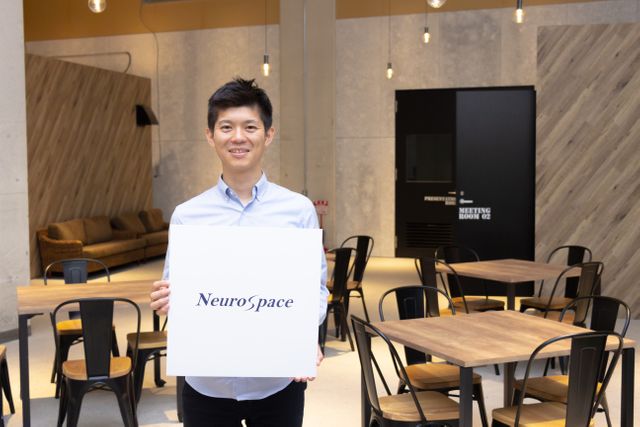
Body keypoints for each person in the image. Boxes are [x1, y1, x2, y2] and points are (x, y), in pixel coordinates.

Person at [149, 78, 328, 427]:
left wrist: (303, 334)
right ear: (210, 135)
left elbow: (315, 290)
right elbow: (177, 291)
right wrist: (167, 298)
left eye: (250, 127)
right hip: (207, 384)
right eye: (226, 127)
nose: (238, 137)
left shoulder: (298, 210)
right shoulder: (188, 215)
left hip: (277, 381)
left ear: (269, 134)